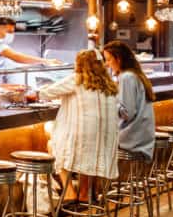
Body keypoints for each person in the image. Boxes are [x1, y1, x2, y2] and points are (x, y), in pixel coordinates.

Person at [37, 49, 120, 203]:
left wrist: (35, 92)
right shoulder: (109, 83)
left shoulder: (77, 79)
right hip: (106, 139)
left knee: (52, 144)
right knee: (89, 155)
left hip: (84, 137)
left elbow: (46, 93)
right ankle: (87, 192)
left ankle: (69, 192)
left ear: (80, 64)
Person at [102, 41, 156, 161]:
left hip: (133, 139)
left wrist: (109, 102)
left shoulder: (127, 77)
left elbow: (127, 113)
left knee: (93, 143)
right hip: (143, 136)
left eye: (109, 60)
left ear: (119, 59)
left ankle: (82, 179)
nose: (107, 64)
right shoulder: (135, 74)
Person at [0, 16, 48, 86]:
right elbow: (16, 57)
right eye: (9, 32)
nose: (11, 35)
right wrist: (45, 61)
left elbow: (12, 61)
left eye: (12, 32)